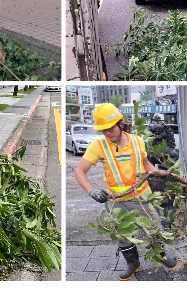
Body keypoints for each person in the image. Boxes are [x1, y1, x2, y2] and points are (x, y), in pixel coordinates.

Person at [74, 103, 177, 281]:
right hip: (118, 200)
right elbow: (79, 171)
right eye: (103, 130)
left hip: (142, 196)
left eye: (110, 128)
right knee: (123, 235)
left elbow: (145, 165)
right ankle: (133, 263)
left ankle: (160, 255)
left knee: (154, 229)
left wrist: (162, 174)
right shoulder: (98, 146)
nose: (107, 133)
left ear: (121, 124)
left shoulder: (137, 141)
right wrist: (92, 192)